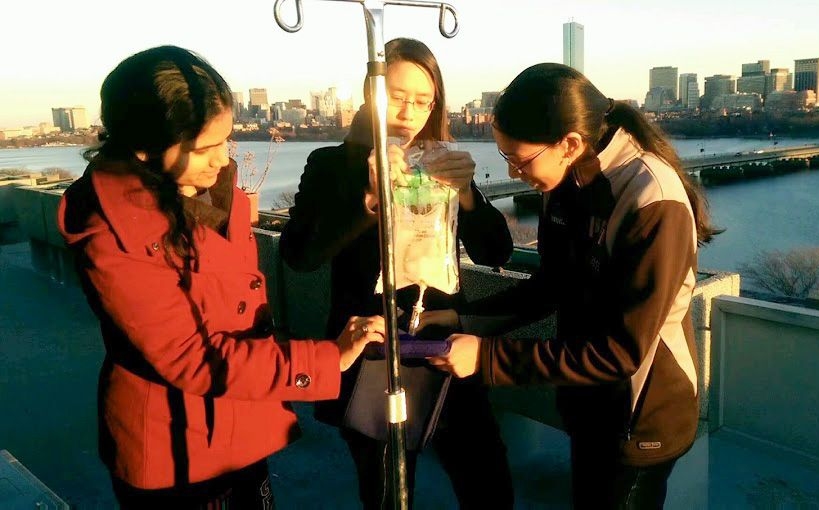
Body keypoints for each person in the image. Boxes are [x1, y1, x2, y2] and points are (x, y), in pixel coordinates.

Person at [57, 45, 385, 509]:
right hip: (177, 448)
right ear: (144, 148)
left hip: (241, 421)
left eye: (225, 141)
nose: (220, 159)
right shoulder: (110, 228)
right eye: (203, 148)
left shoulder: (216, 192)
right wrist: (328, 358)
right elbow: (190, 356)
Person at [422, 63, 718, 509]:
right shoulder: (566, 179)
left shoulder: (651, 198)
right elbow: (553, 285)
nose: (515, 173)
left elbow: (622, 351)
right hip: (588, 405)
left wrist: (485, 359)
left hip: (641, 416)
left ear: (570, 143)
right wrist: (466, 319)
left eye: (519, 160)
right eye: (505, 159)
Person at [279, 38, 515, 509]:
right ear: (372, 93)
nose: (410, 111)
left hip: (444, 344)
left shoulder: (444, 165)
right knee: (385, 489)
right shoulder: (330, 165)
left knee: (487, 482)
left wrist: (467, 194)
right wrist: (369, 200)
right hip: (370, 345)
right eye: (398, 96)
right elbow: (300, 255)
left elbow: (497, 252)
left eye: (423, 100)